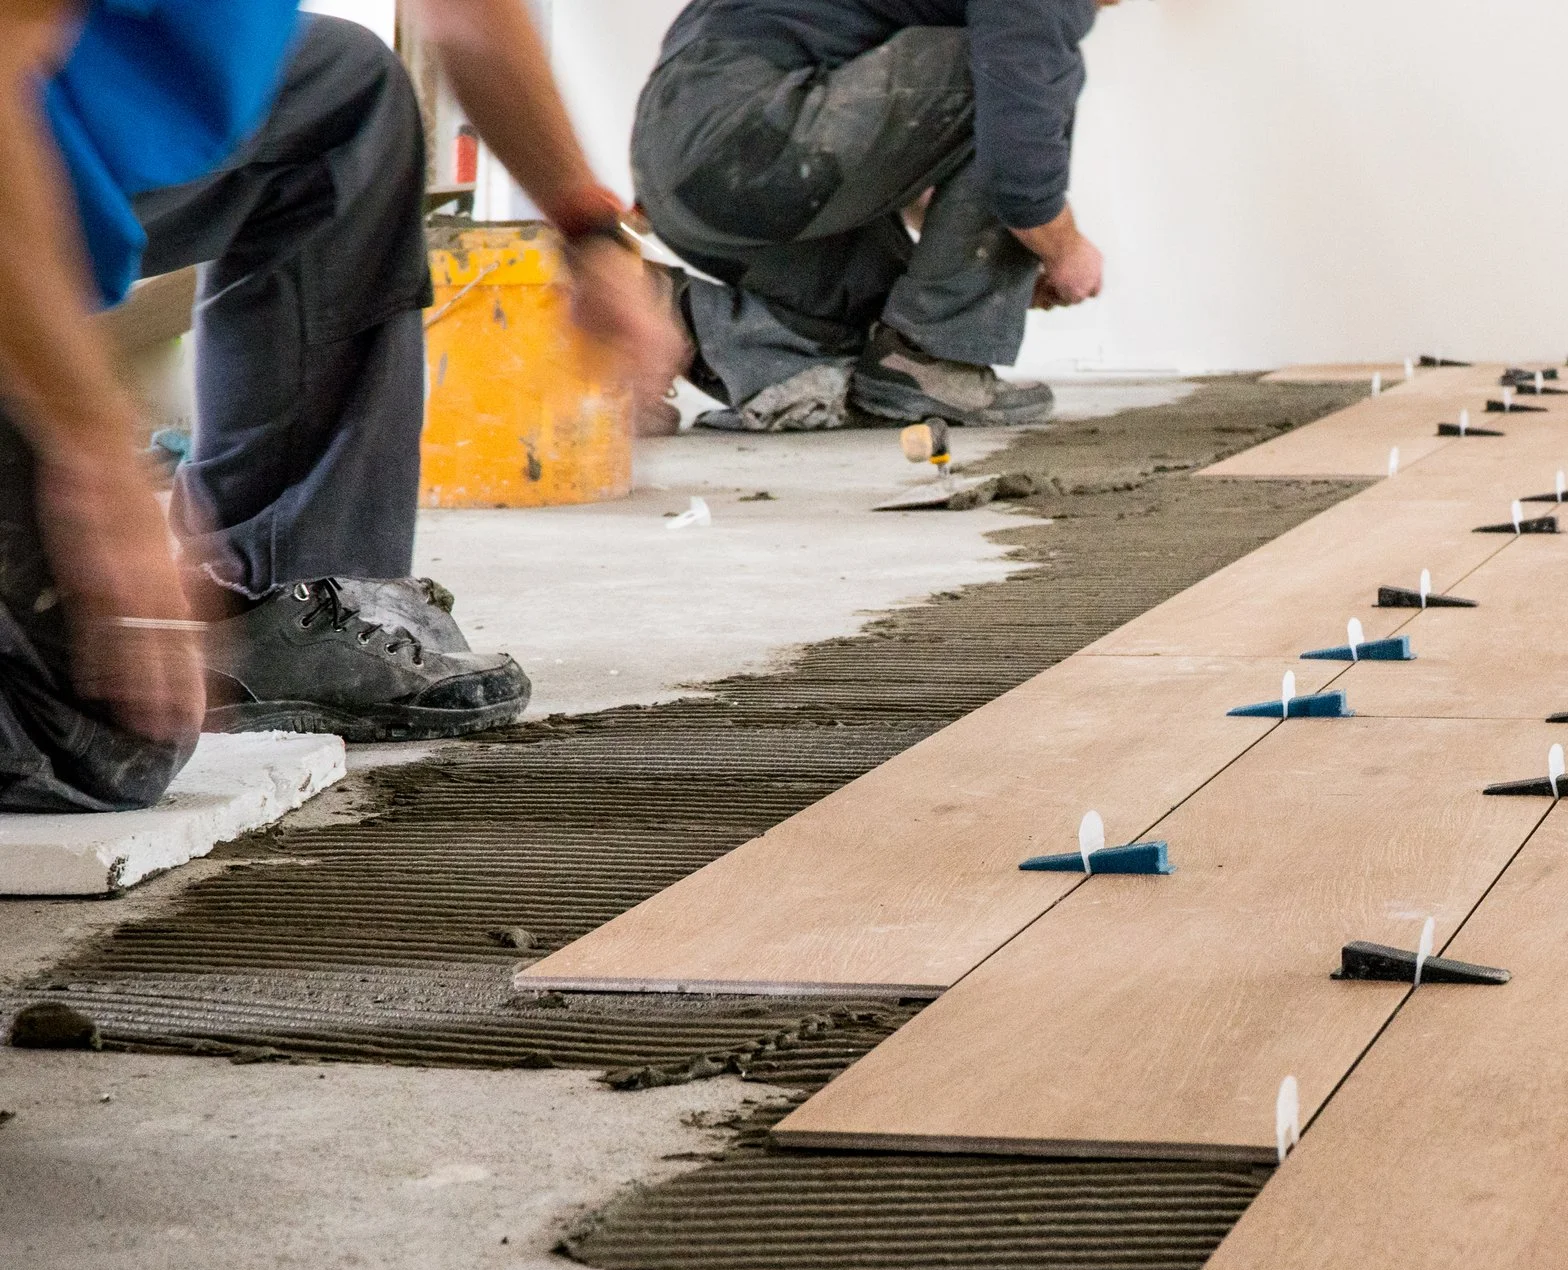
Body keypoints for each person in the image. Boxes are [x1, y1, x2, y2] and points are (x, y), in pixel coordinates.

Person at [0, 0, 682, 813]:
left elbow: (471, 15)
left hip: (57, 135)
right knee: (81, 740)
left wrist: (589, 231)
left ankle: (291, 597)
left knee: (343, 95)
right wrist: (94, 457)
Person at [632, 0, 1112, 434]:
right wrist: (1064, 250)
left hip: (682, 167)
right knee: (1027, 79)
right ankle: (935, 359)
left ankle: (666, 314)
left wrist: (970, 256)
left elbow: (876, 116)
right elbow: (1016, 169)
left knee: (874, 343)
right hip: (750, 140)